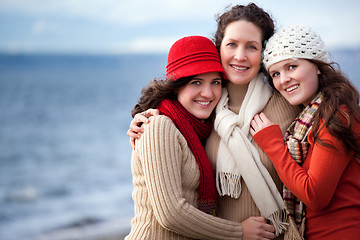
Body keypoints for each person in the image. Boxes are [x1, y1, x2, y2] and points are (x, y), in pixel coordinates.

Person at [127, 3, 303, 239]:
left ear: (263, 52)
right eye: (232, 44)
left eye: (251, 46)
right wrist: (143, 119)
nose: (240, 55)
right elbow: (170, 208)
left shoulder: (287, 103)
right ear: (219, 48)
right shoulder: (205, 114)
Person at [250, 25, 360, 240]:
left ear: (317, 66)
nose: (283, 80)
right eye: (275, 73)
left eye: (291, 66)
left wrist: (273, 145)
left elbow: (315, 195)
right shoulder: (309, 118)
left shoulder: (336, 116)